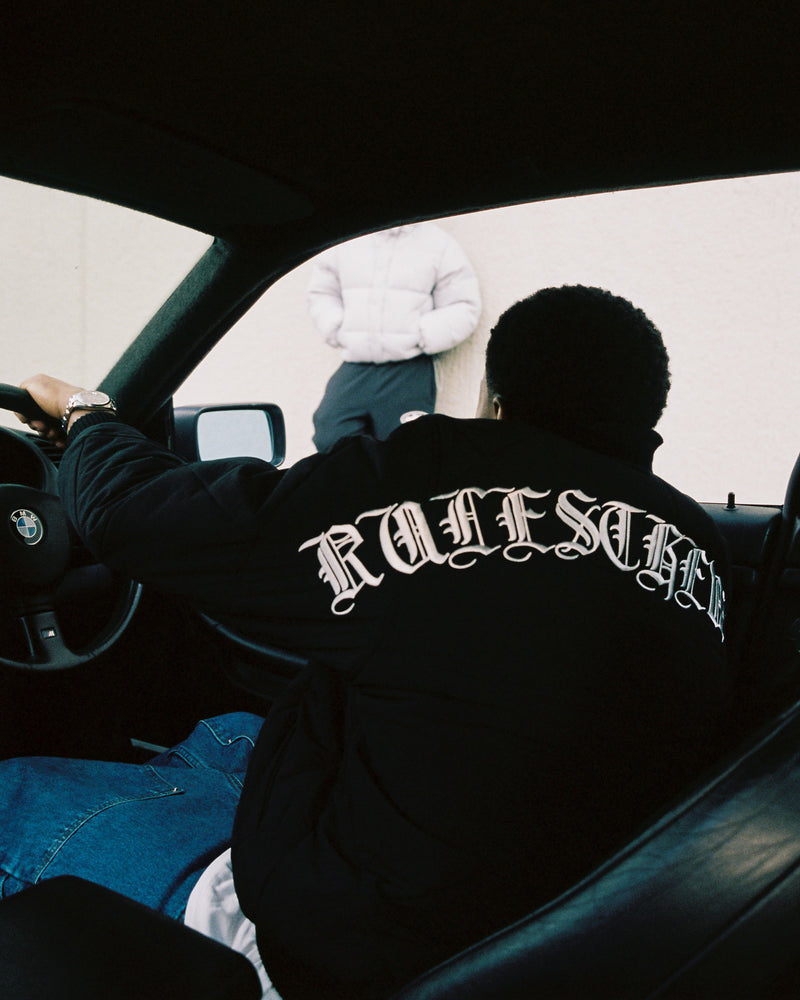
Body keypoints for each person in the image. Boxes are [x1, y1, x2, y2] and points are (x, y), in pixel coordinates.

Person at [1, 285, 731, 1000]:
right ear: (647, 419)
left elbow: (133, 515)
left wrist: (87, 415)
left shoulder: (441, 472)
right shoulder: (697, 545)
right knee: (232, 734)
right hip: (561, 933)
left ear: (496, 401)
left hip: (335, 958)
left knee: (12, 791)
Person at [306, 222, 481, 451]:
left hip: (409, 370)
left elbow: (464, 306)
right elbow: (322, 292)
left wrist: (419, 334)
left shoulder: (439, 244)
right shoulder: (346, 239)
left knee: (406, 448)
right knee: (330, 431)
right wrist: (337, 328)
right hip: (357, 365)